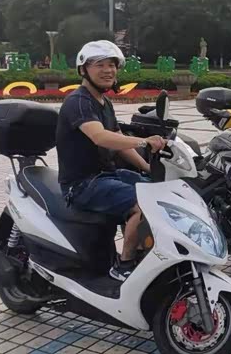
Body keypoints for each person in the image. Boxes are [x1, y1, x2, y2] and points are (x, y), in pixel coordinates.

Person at [56, 41, 166, 281]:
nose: (108, 70)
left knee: (156, 191)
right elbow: (100, 137)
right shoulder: (79, 102)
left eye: (112, 65)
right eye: (100, 65)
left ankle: (142, 250)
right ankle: (124, 265)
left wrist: (148, 168)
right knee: (142, 205)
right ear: (83, 69)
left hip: (106, 176)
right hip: (82, 184)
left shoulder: (104, 103)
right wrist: (144, 141)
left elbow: (118, 140)